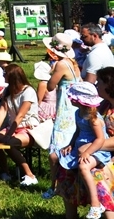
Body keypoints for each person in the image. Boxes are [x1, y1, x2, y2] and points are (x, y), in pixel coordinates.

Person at [58, 82, 110, 219]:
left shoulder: (94, 119)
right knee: (57, 157)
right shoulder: (78, 113)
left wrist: (88, 152)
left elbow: (100, 139)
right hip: (81, 147)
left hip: (97, 150)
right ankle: (55, 188)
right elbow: (77, 131)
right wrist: (70, 144)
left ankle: (95, 205)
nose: (70, 99)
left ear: (79, 100)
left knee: (84, 166)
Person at [42, 33, 83, 199]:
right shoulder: (73, 63)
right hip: (73, 107)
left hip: (64, 109)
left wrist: (51, 73)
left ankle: (55, 186)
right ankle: (66, 184)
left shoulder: (60, 64)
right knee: (67, 145)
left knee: (57, 150)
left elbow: (50, 87)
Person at [0, 64, 40, 187]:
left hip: (29, 128)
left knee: (9, 143)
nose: (3, 76)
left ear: (12, 77)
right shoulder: (8, 91)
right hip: (13, 127)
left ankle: (30, 175)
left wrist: (9, 135)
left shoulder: (28, 91)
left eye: (5, 74)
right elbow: (2, 110)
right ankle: (5, 172)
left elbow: (20, 115)